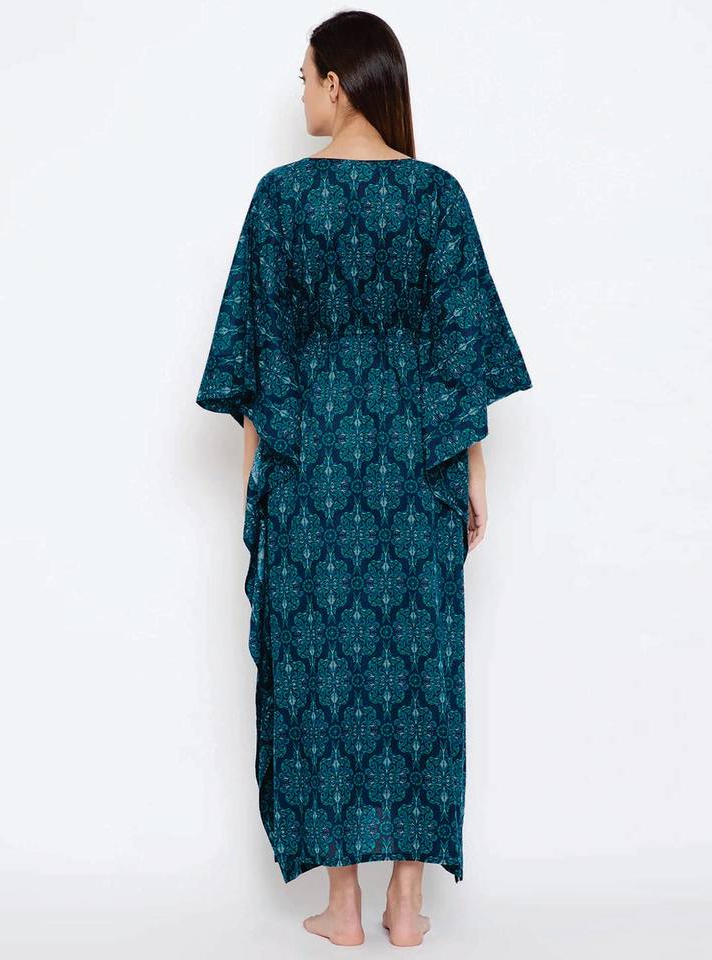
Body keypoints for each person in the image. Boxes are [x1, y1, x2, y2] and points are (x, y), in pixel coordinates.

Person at [195, 9, 533, 948]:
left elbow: (259, 364)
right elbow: (462, 360)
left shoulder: (281, 198)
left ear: (338, 83)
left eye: (306, 77)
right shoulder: (436, 196)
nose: (301, 93)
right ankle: (408, 908)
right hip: (413, 475)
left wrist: (258, 489)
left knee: (319, 682)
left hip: (314, 477)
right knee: (418, 676)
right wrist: (472, 475)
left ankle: (342, 907)